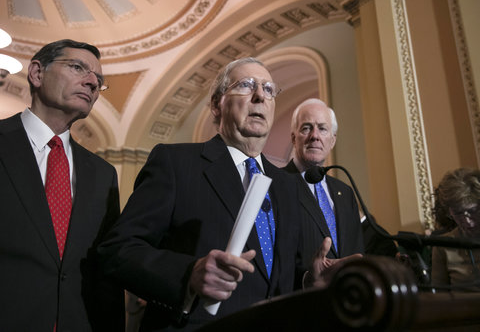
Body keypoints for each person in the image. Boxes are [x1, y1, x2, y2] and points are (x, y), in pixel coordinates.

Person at [98, 57, 360, 331]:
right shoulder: (176, 164)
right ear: (216, 104)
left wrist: (309, 281)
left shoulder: (286, 184)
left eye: (269, 89)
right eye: (246, 85)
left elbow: (274, 275)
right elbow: (118, 250)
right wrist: (188, 275)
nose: (260, 95)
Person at [0, 39, 124, 330]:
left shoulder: (103, 174)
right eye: (78, 67)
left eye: (99, 80)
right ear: (37, 73)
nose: (92, 82)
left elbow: (104, 270)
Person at [283, 98, 364, 264]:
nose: (315, 136)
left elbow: (356, 250)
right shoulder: (276, 183)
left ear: (332, 141)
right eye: (306, 128)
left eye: (322, 129)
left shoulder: (345, 192)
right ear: (293, 138)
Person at [431, 167, 480, 292]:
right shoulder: (443, 246)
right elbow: (439, 299)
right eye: (458, 213)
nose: (467, 221)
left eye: (473, 211)